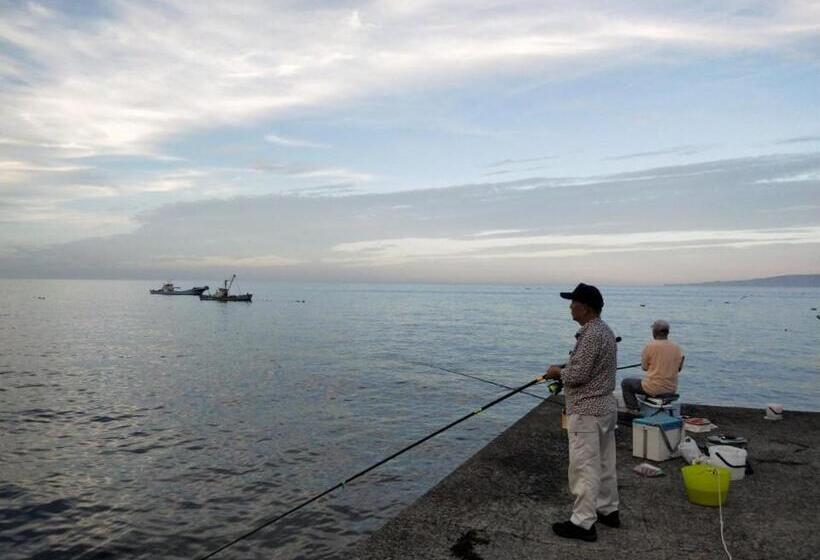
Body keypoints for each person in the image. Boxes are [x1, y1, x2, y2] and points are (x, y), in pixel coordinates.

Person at [542, 283, 619, 542]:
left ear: (585, 307)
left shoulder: (590, 334)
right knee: (606, 463)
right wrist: (569, 366)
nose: (570, 306)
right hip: (605, 409)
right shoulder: (605, 331)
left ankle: (583, 522)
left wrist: (557, 372)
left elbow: (577, 375)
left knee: (584, 467)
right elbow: (591, 367)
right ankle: (608, 510)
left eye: (573, 302)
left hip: (587, 412)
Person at [621, 320, 685, 414]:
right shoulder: (677, 348)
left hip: (653, 388)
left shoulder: (650, 346)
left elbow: (644, 368)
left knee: (626, 383)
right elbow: (679, 369)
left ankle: (633, 409)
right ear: (667, 332)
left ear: (654, 332)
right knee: (641, 382)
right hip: (671, 388)